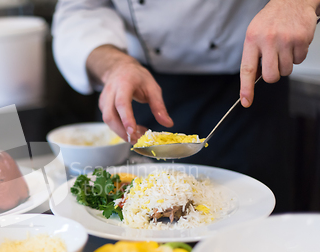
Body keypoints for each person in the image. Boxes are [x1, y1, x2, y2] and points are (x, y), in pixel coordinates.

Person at [52, 0, 320, 212]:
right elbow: (81, 9)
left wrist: (296, 2)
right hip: (140, 85)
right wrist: (113, 65)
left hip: (248, 84)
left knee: (256, 232)